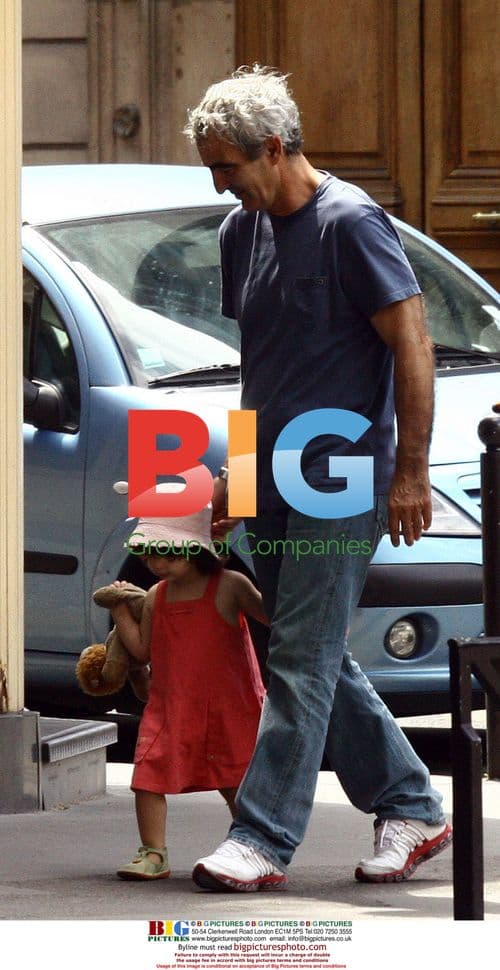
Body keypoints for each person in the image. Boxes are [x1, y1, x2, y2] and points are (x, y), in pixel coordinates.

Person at [183, 65, 452, 892]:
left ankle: (262, 839)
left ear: (273, 147)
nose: (222, 186)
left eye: (228, 167)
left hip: (345, 474)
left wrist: (411, 473)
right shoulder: (242, 231)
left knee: (300, 654)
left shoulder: (351, 224)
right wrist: (234, 475)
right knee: (313, 652)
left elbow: (412, 346)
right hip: (271, 473)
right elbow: (259, 369)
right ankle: (413, 803)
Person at [110, 506, 267, 880]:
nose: (154, 562)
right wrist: (120, 612)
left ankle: (252, 845)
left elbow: (273, 615)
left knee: (234, 782)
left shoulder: (230, 585)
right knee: (147, 778)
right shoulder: (155, 596)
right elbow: (143, 649)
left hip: (230, 708)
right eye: (148, 552)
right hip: (172, 705)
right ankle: (153, 853)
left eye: (165, 551)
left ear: (197, 549)